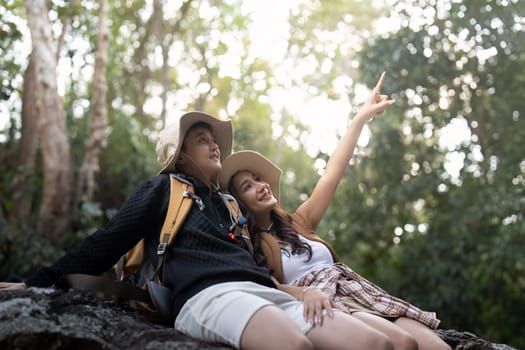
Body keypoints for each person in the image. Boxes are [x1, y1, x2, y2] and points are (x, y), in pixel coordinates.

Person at [0, 111, 396, 350]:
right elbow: (108, 240)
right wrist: (40, 283)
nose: (214, 146)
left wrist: (303, 290)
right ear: (182, 157)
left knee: (373, 343)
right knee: (293, 345)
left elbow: (267, 256)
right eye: (202, 140)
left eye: (214, 140)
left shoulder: (230, 205)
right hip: (208, 295)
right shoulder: (162, 189)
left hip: (263, 291)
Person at [218, 74, 452, 350]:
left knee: (440, 348)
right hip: (327, 301)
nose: (261, 186)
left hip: (359, 291)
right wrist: (303, 293)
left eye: (259, 178)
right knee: (403, 344)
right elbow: (262, 283)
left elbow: (331, 174)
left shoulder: (299, 222)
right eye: (248, 185)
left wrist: (359, 120)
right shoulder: (248, 242)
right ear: (238, 201)